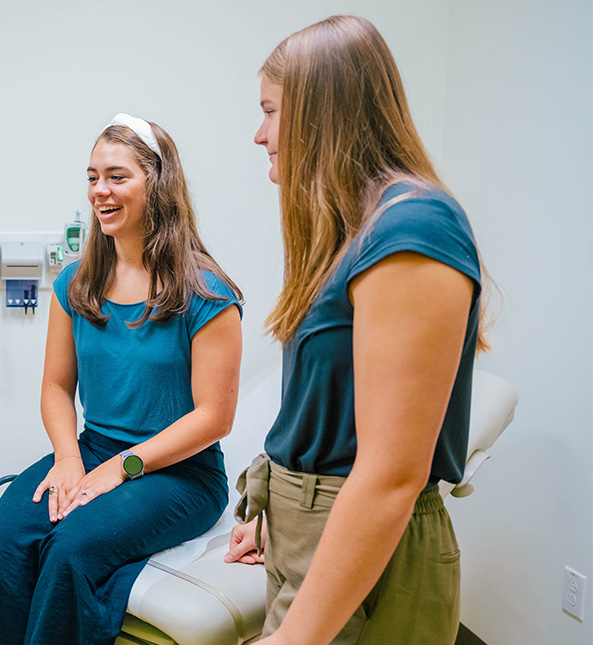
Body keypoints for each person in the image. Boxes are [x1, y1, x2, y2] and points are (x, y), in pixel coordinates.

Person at [224, 15, 488, 645]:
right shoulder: (352, 234)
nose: (259, 135)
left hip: (367, 550)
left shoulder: (413, 231)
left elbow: (392, 473)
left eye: (270, 111)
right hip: (312, 528)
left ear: (322, 112)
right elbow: (331, 406)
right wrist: (279, 503)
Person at [0, 114, 244, 645]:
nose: (100, 190)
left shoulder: (205, 293)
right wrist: (70, 459)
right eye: (92, 176)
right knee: (2, 534)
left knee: (72, 547)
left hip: (182, 474)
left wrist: (122, 467)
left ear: (157, 182)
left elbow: (215, 418)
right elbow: (54, 388)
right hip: (93, 450)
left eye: (117, 176)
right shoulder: (78, 281)